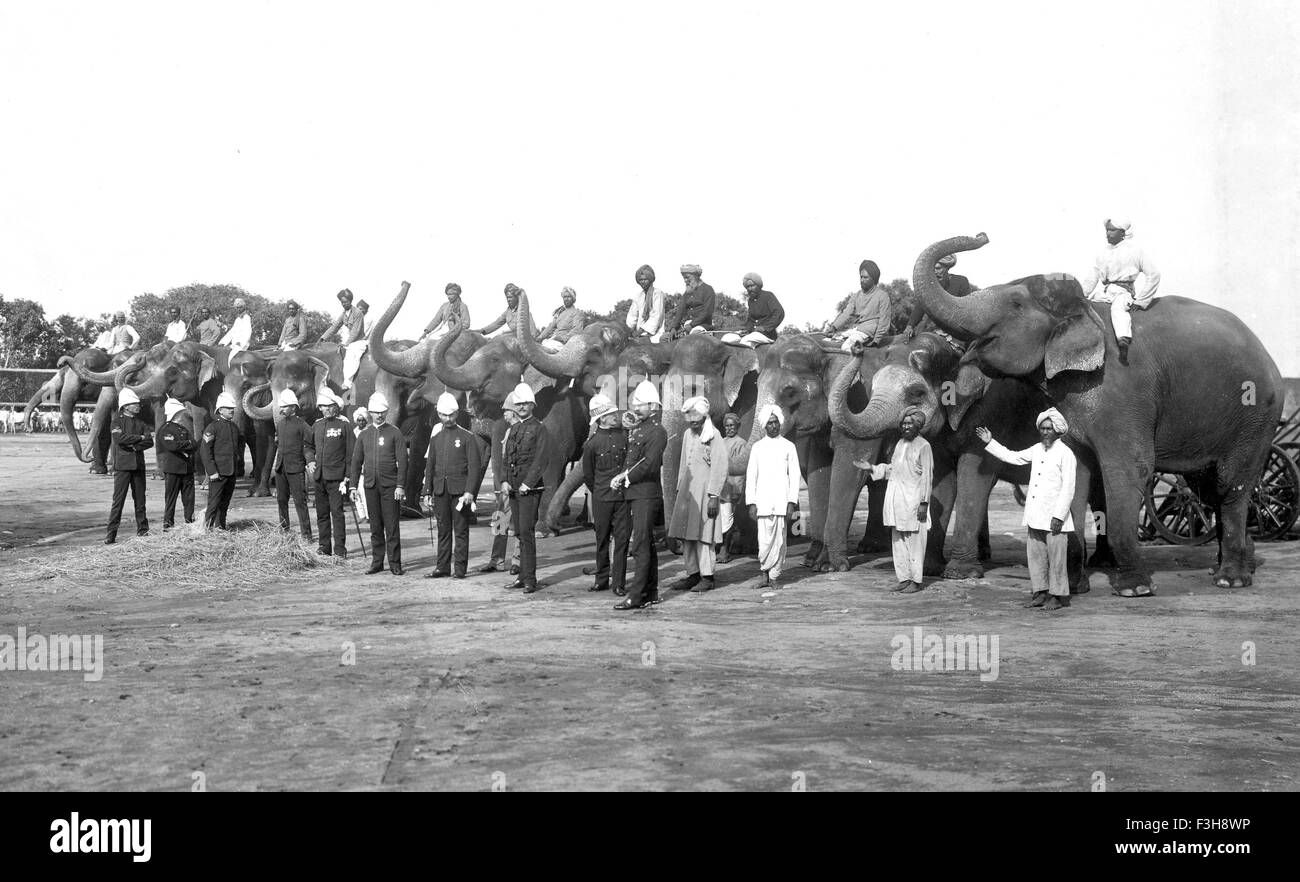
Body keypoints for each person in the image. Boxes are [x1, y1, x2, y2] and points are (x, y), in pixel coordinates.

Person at [976, 408, 1077, 610]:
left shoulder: (1066, 454)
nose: (1045, 432)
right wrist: (990, 442)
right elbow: (1012, 457)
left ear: (1058, 431)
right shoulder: (1037, 449)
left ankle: (1056, 596)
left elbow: (1068, 488)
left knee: (1056, 559)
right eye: (1043, 429)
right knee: (1036, 556)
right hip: (1035, 515)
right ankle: (1040, 592)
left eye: (1049, 429)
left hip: (1055, 518)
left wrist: (1059, 516)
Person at [611, 381, 667, 610]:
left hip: (645, 493)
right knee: (647, 545)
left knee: (641, 545)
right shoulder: (641, 429)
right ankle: (651, 591)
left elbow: (649, 465)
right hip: (636, 493)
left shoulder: (657, 432)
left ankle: (637, 595)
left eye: (640, 405)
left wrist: (624, 477)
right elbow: (633, 460)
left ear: (653, 406)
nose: (636, 408)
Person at [869, 406, 934, 594]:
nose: (906, 427)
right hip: (897, 501)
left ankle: (916, 580)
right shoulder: (899, 444)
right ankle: (904, 578)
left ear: (918, 426)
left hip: (914, 502)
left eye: (910, 424)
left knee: (915, 543)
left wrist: (924, 503)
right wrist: (872, 468)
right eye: (904, 424)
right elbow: (892, 470)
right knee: (898, 542)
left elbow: (927, 477)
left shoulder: (924, 446)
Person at [1078, 217, 1161, 360]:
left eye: (1112, 230)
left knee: (1118, 309)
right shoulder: (1102, 253)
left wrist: (1140, 301)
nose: (1108, 233)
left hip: (1123, 292)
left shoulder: (1135, 251)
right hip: (1106, 292)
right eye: (1107, 230)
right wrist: (1081, 295)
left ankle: (1123, 340)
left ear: (1122, 232)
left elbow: (1154, 275)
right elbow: (1092, 277)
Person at [668, 396, 728, 592]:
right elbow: (684, 463)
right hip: (687, 492)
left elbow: (720, 467)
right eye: (689, 418)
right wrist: (679, 489)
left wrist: (713, 496)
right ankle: (692, 574)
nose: (692, 422)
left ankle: (707, 577)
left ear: (704, 417)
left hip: (705, 493)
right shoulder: (688, 434)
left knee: (704, 535)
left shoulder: (715, 436)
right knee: (687, 534)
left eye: (695, 418)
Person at [421, 392, 483, 579]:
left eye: (451, 415)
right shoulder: (435, 439)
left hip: (460, 493)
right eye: (444, 415)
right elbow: (430, 467)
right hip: (440, 490)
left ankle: (460, 569)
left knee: (461, 530)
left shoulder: (467, 437)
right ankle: (442, 567)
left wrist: (470, 491)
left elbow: (475, 468)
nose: (448, 419)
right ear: (438, 414)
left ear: (457, 414)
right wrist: (427, 491)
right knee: (443, 529)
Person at [349, 392, 407, 575]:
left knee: (391, 526)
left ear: (387, 411)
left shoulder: (394, 433)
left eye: (382, 412)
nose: (379, 415)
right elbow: (356, 462)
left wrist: (400, 485)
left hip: (390, 487)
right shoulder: (364, 435)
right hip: (370, 486)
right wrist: (352, 486)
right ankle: (377, 562)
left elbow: (403, 462)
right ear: (370, 413)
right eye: (375, 412)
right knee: (375, 527)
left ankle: (395, 563)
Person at [744, 404, 801, 589]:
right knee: (764, 540)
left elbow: (795, 475)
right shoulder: (757, 447)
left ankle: (775, 577)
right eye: (770, 423)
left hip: (781, 500)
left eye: (776, 422)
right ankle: (764, 575)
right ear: (764, 426)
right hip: (763, 502)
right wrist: (751, 503)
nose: (774, 426)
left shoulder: (789, 447)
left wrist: (792, 501)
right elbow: (751, 476)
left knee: (780, 541)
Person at [502, 383, 550, 593]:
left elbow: (541, 459)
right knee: (519, 533)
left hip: (528, 489)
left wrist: (527, 483)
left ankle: (530, 579)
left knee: (528, 533)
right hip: (512, 487)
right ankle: (521, 576)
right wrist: (504, 480)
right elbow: (506, 457)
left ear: (532, 404)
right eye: (518, 403)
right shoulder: (513, 429)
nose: (521, 407)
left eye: (525, 403)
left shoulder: (540, 428)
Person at [581, 394, 630, 594]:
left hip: (622, 499)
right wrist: (599, 491)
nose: (615, 416)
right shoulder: (592, 444)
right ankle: (601, 579)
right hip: (601, 498)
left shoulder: (623, 436)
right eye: (611, 414)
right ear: (602, 418)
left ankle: (618, 583)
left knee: (622, 540)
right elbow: (588, 474)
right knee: (602, 540)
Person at [305, 387, 354, 558]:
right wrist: (310, 460)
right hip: (319, 478)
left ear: (336, 406)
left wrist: (348, 476)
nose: (326, 409)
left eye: (329, 406)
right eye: (322, 407)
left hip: (337, 479)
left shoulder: (344, 426)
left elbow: (351, 454)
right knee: (322, 514)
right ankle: (324, 547)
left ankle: (340, 549)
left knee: (337, 514)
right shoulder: (316, 425)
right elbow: (308, 446)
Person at [104, 387, 152, 544]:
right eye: (134, 403)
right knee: (118, 501)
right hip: (123, 467)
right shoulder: (116, 422)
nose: (138, 406)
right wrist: (139, 437)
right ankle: (111, 535)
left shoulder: (141, 422)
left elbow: (149, 441)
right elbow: (120, 439)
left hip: (138, 466)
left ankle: (143, 531)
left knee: (140, 501)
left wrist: (135, 445)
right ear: (125, 406)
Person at [479, 393, 519, 574]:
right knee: (500, 520)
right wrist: (502, 481)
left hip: (522, 485)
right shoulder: (507, 430)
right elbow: (503, 460)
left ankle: (518, 561)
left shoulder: (533, 429)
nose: (504, 413)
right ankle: (497, 560)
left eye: (507, 410)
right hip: (506, 485)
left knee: (521, 524)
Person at [903, 254, 976, 350]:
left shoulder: (961, 281)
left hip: (957, 333)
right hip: (933, 331)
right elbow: (919, 308)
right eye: (932, 270)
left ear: (947, 268)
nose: (935, 272)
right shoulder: (928, 287)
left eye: (938, 268)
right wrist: (910, 326)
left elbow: (967, 308)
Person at [271, 389, 313, 540]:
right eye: (281, 407)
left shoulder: (303, 425)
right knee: (281, 500)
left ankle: (306, 535)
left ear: (293, 407)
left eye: (284, 407)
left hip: (296, 469)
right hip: (281, 468)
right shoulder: (280, 424)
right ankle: (284, 531)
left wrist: (309, 461)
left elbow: (309, 445)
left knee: (300, 502)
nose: (281, 409)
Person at [823, 260, 892, 353]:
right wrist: (834, 327)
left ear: (874, 279)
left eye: (865, 277)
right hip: (857, 329)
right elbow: (846, 313)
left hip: (869, 332)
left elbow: (884, 321)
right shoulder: (856, 296)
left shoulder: (882, 296)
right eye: (861, 277)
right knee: (832, 340)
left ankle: (856, 365)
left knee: (846, 347)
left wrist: (876, 341)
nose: (862, 280)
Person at [202, 392, 243, 530]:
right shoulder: (213, 427)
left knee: (225, 503)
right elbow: (205, 452)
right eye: (228, 407)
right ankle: (206, 530)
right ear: (220, 410)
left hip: (231, 472)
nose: (232, 410)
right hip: (218, 473)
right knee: (213, 503)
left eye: (232, 407)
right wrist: (212, 471)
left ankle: (220, 528)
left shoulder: (234, 427)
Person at [157, 397, 197, 529]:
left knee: (189, 498)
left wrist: (184, 445)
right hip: (173, 469)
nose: (182, 414)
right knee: (171, 499)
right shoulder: (166, 429)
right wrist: (187, 444)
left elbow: (194, 444)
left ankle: (189, 520)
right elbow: (171, 446)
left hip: (186, 468)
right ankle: (168, 523)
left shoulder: (183, 429)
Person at [716, 412, 748, 562]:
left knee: (728, 519)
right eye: (727, 426)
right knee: (720, 519)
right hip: (719, 487)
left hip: (732, 487)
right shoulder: (721, 441)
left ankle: (725, 550)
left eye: (732, 426)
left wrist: (737, 490)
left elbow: (739, 469)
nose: (729, 428)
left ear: (737, 427)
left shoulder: (740, 443)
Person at [722, 273, 784, 346]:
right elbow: (751, 320)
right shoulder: (750, 300)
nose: (750, 289)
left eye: (752, 286)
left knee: (745, 341)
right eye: (748, 287)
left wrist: (765, 328)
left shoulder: (768, 296)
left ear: (758, 285)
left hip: (767, 335)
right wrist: (745, 329)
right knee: (726, 338)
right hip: (752, 334)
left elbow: (779, 313)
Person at [667, 264, 716, 337]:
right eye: (684, 278)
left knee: (693, 338)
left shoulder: (708, 290)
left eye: (687, 277)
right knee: (665, 338)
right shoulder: (687, 292)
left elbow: (707, 312)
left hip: (703, 326)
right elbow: (680, 311)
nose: (685, 280)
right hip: (687, 326)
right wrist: (674, 327)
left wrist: (692, 325)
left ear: (696, 276)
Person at [533, 287, 585, 352]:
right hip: (552, 341)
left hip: (565, 344)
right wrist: (539, 338)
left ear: (573, 298)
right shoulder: (559, 313)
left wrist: (562, 338)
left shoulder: (577, 313)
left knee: (545, 348)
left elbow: (577, 330)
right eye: (565, 297)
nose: (566, 299)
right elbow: (550, 327)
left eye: (569, 297)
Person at [626, 265, 666, 342]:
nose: (642, 282)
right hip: (639, 335)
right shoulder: (638, 296)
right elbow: (632, 316)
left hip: (655, 334)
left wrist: (640, 332)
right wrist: (628, 330)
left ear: (650, 280)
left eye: (645, 279)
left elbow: (656, 315)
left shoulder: (657, 293)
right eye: (640, 280)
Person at [350, 407, 370, 522]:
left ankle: (368, 515)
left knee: (364, 491)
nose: (361, 422)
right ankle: (361, 514)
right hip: (356, 463)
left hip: (366, 463)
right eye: (359, 420)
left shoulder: (369, 431)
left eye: (363, 420)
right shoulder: (354, 432)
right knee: (356, 490)